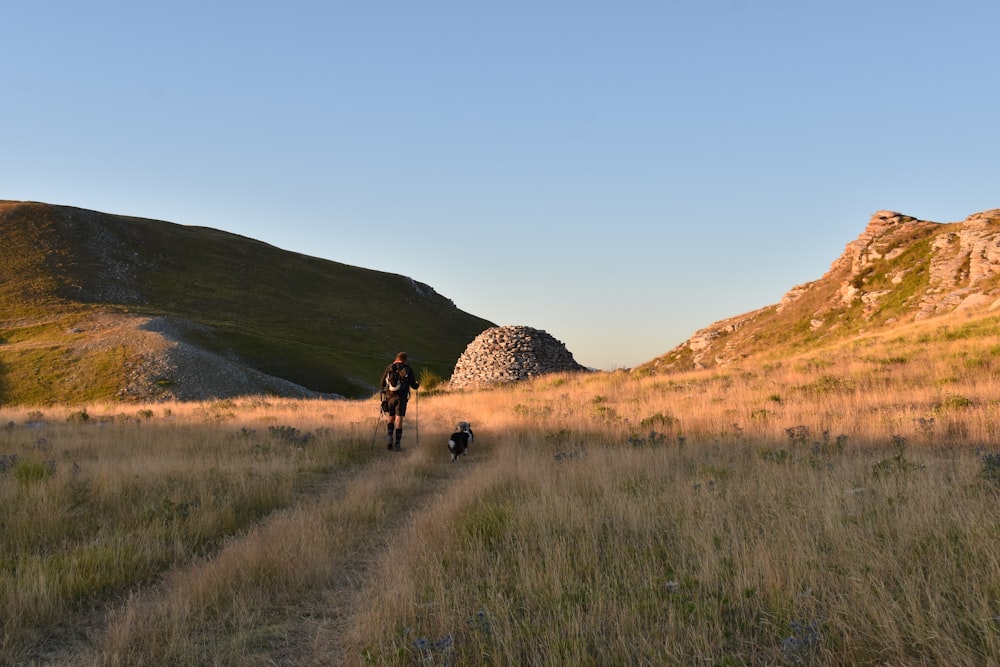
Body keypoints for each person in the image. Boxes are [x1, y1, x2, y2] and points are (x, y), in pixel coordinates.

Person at [380, 352, 420, 450]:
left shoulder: (389, 367)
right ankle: (397, 444)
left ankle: (389, 437)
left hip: (390, 396)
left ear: (397, 358)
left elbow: (382, 384)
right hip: (402, 397)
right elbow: (414, 386)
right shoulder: (408, 369)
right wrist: (417, 384)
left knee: (391, 418)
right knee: (399, 419)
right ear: (405, 360)